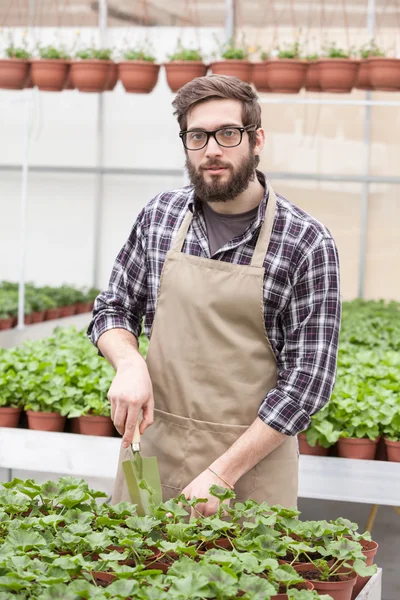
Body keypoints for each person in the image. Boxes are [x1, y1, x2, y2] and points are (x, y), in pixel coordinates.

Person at [87, 75, 341, 514]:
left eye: (227, 133)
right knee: (134, 567)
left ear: (256, 139)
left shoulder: (306, 241)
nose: (211, 150)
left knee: (242, 582)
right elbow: (113, 309)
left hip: (250, 469)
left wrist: (223, 473)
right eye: (197, 136)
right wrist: (128, 363)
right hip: (152, 449)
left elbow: (307, 384)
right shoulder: (159, 216)